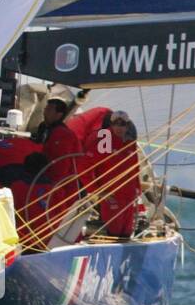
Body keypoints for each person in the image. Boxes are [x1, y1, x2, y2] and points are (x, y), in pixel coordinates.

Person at [68, 107, 141, 237]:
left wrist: (138, 189)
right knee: (113, 233)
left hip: (129, 197)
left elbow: (135, 168)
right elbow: (84, 167)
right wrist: (96, 190)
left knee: (127, 234)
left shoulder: (130, 143)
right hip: (112, 196)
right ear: (111, 125)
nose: (119, 127)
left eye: (122, 124)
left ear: (127, 126)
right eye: (115, 123)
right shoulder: (105, 141)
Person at [25, 97, 84, 246]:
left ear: (59, 114)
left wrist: (51, 187)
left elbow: (60, 166)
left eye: (49, 109)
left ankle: (63, 245)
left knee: (61, 221)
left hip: (62, 187)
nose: (45, 111)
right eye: (46, 108)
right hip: (48, 185)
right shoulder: (44, 129)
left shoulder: (62, 134)